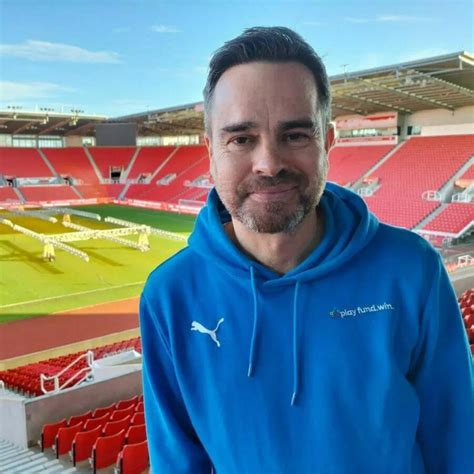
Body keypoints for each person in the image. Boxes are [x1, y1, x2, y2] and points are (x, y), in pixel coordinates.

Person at [139, 26, 474, 474]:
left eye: (295, 135)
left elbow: (458, 443)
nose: (269, 163)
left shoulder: (412, 270)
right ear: (211, 151)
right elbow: (178, 463)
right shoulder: (170, 295)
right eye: (241, 139)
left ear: (327, 142)